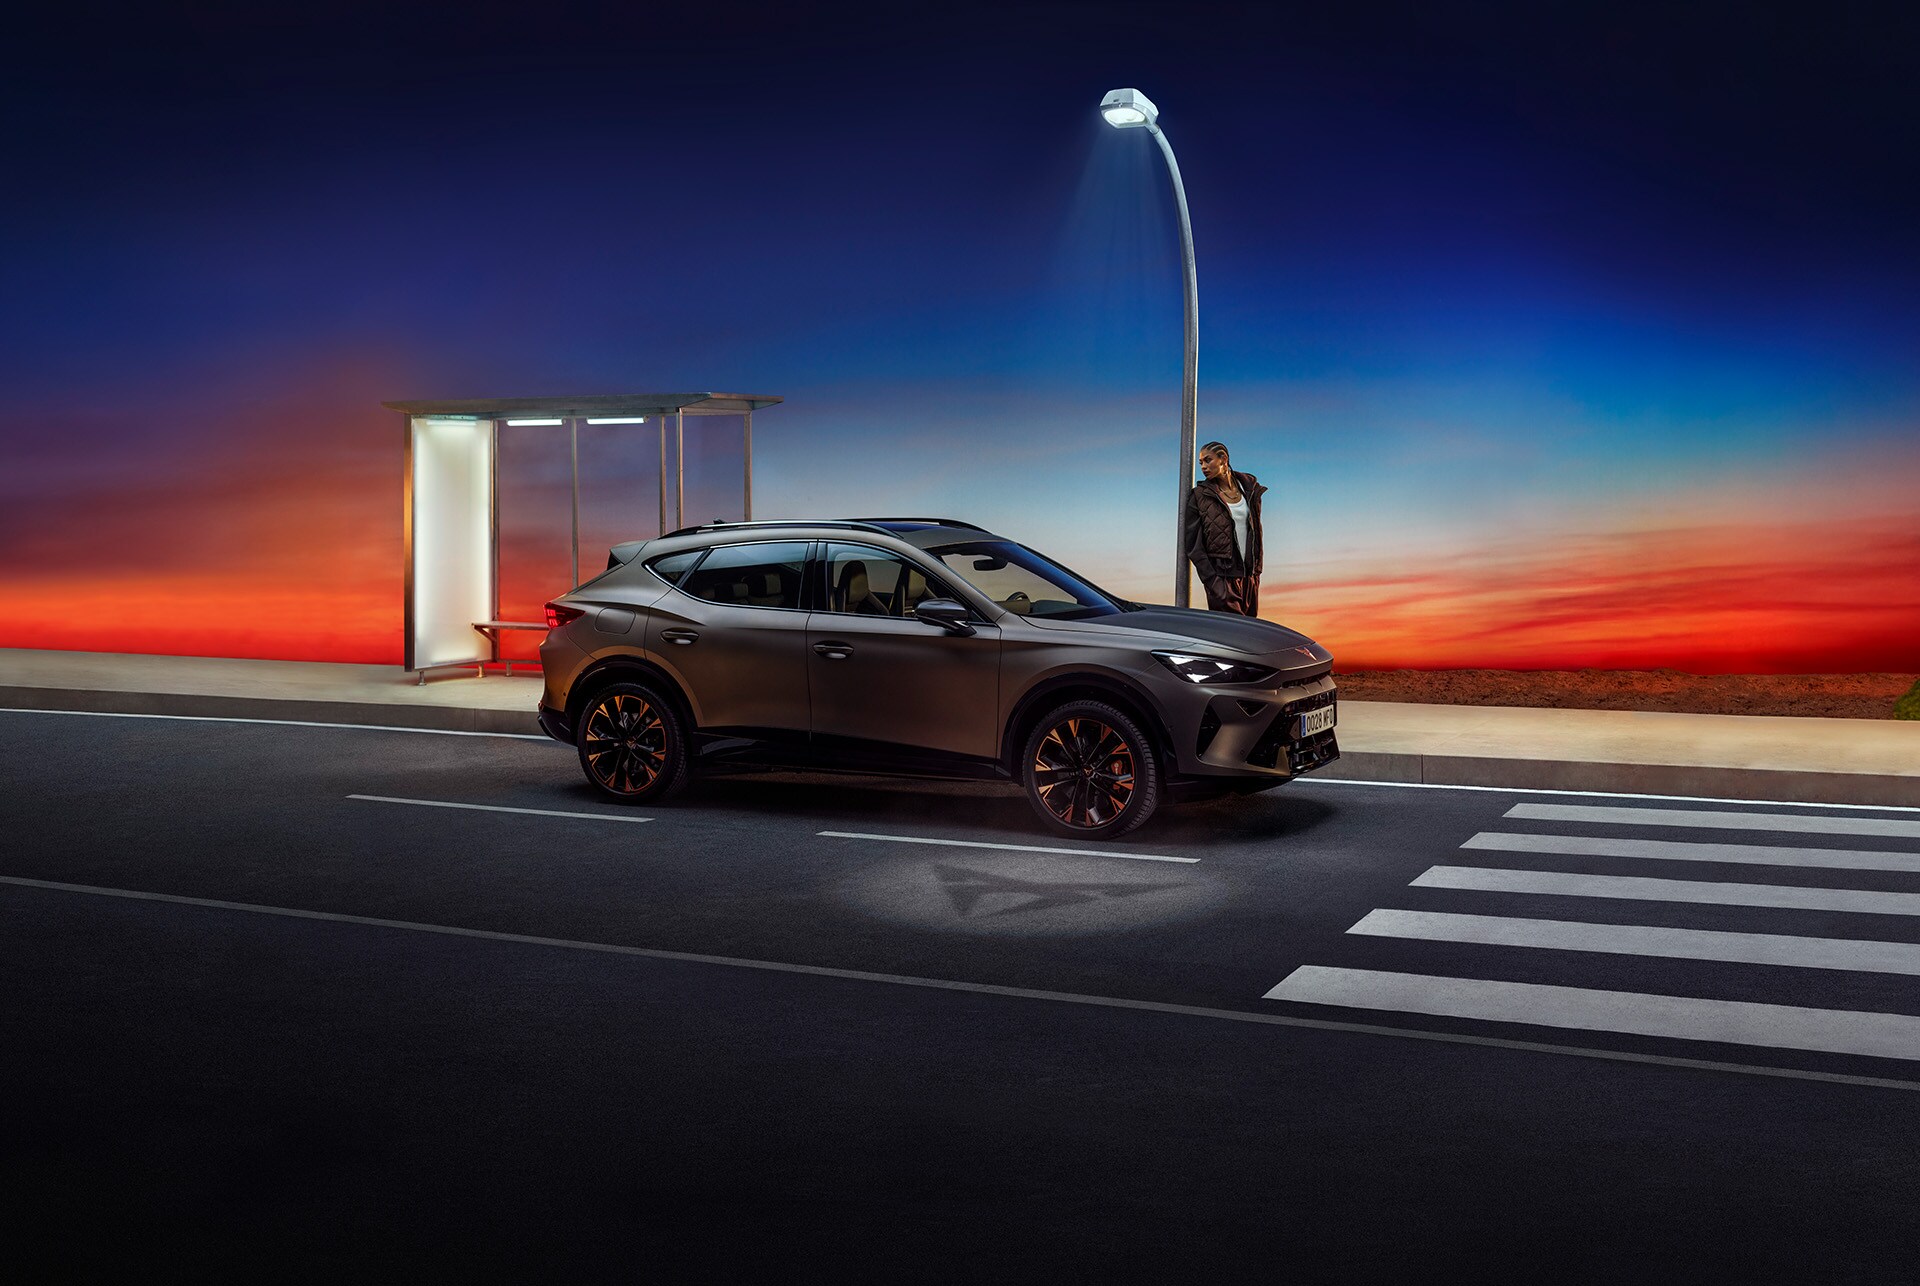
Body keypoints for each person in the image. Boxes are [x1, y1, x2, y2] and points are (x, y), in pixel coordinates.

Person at [1183, 440, 1267, 616]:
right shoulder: (1199, 496)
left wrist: (1256, 573)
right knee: (1232, 634)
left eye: (1208, 460)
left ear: (1223, 459)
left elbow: (1256, 532)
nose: (1203, 467)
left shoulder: (1249, 490)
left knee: (1249, 635)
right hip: (1222, 579)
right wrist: (1213, 582)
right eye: (1201, 463)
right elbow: (1193, 547)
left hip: (1249, 577)